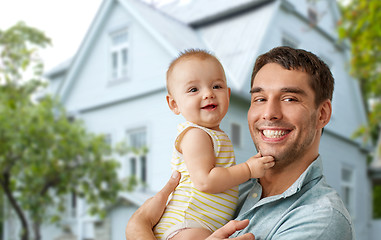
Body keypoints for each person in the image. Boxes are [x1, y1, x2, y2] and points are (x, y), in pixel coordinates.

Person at [125, 46, 354, 240]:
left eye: (289, 98)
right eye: (260, 99)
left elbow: (141, 224)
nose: (269, 113)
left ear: (322, 114)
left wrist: (138, 227)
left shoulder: (321, 219)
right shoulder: (237, 185)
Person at [153, 49, 275, 240]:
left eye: (216, 86)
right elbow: (205, 180)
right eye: (194, 89)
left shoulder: (213, 134)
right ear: (174, 104)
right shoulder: (195, 134)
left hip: (201, 226)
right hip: (186, 225)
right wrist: (248, 170)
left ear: (228, 94)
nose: (208, 94)